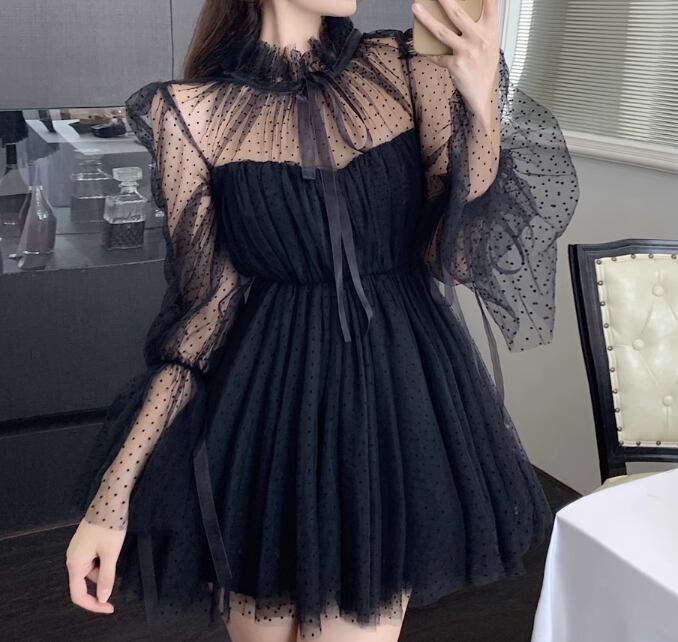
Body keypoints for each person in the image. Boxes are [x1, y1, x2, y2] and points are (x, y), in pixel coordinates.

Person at [66, 0, 580, 640]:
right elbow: (203, 317)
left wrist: (481, 108)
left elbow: (453, 259)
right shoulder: (190, 112)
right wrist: (111, 500)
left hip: (390, 401)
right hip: (265, 414)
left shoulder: (405, 65)